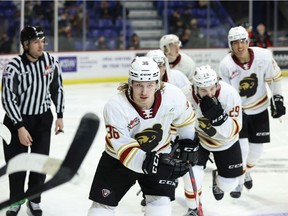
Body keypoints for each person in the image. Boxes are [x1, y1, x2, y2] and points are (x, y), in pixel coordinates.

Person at [87, 56, 199, 216]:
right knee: (99, 212)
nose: (144, 91)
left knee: (161, 210)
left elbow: (186, 119)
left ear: (157, 84)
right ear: (130, 82)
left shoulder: (173, 95)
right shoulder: (116, 106)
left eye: (149, 84)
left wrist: (187, 142)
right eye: (139, 84)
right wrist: (154, 163)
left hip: (160, 153)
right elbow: (125, 149)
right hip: (118, 160)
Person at [1, 25, 65, 216]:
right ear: (25, 44)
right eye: (36, 42)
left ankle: (34, 200)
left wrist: (60, 115)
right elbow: (7, 98)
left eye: (42, 41)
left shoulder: (50, 62)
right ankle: (16, 201)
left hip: (42, 120)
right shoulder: (14, 67)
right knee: (18, 164)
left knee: (39, 163)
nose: (41, 45)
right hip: (16, 121)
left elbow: (57, 89)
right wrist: (19, 126)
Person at [218, 26, 286, 198]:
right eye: (235, 43)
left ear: (247, 41)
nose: (240, 46)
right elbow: (225, 93)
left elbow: (275, 77)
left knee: (255, 154)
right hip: (238, 113)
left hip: (260, 109)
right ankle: (238, 183)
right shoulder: (226, 65)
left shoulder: (263, 56)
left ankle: (245, 172)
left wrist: (277, 98)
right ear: (230, 45)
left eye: (242, 41)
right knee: (242, 149)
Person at [181, 65, 243, 215]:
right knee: (191, 177)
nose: (209, 94)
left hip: (226, 142)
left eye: (212, 88)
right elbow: (176, 122)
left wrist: (218, 119)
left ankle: (218, 180)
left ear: (217, 83)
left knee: (228, 185)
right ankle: (194, 207)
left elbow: (234, 130)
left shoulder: (230, 94)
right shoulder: (184, 95)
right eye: (203, 90)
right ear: (194, 87)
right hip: (198, 138)